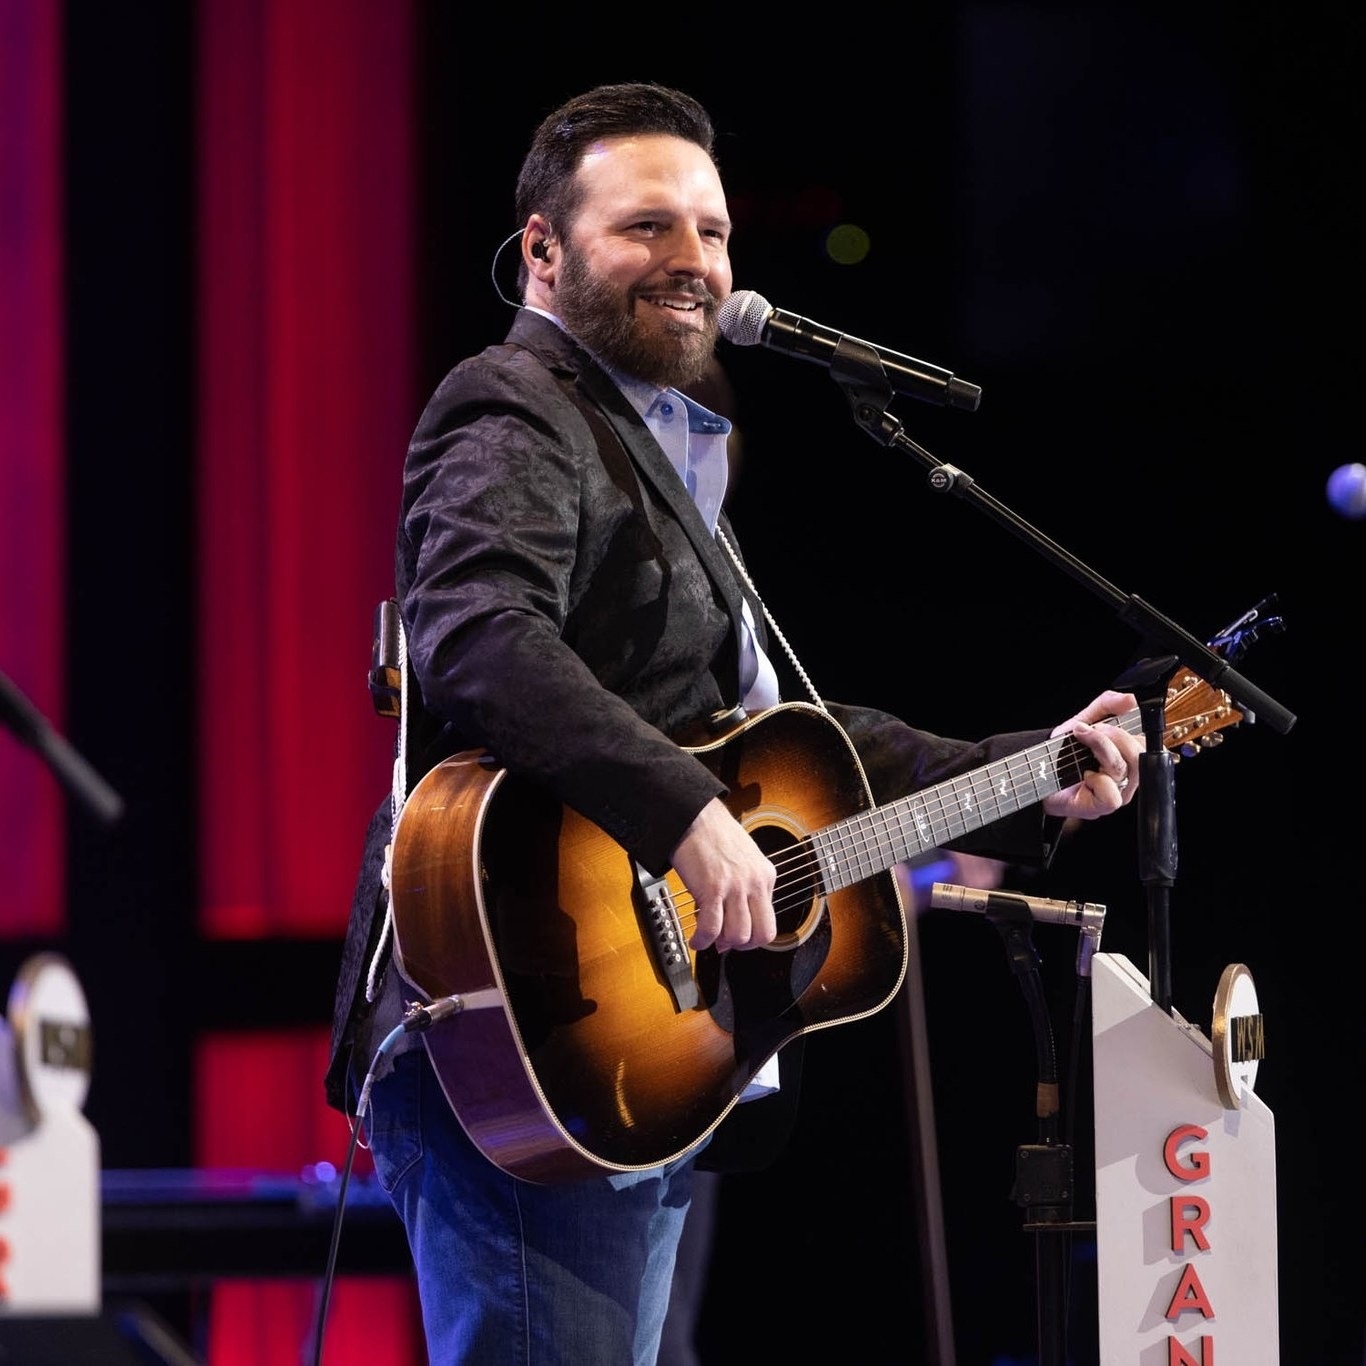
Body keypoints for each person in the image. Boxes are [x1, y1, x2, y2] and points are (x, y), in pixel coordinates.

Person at [324, 81, 1143, 1366]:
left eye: (710, 231)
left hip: (638, 1031)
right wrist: (687, 818)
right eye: (646, 226)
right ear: (542, 249)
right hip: (526, 1003)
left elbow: (788, 743)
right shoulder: (513, 402)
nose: (694, 260)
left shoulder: (661, 446)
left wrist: (1027, 769)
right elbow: (480, 636)